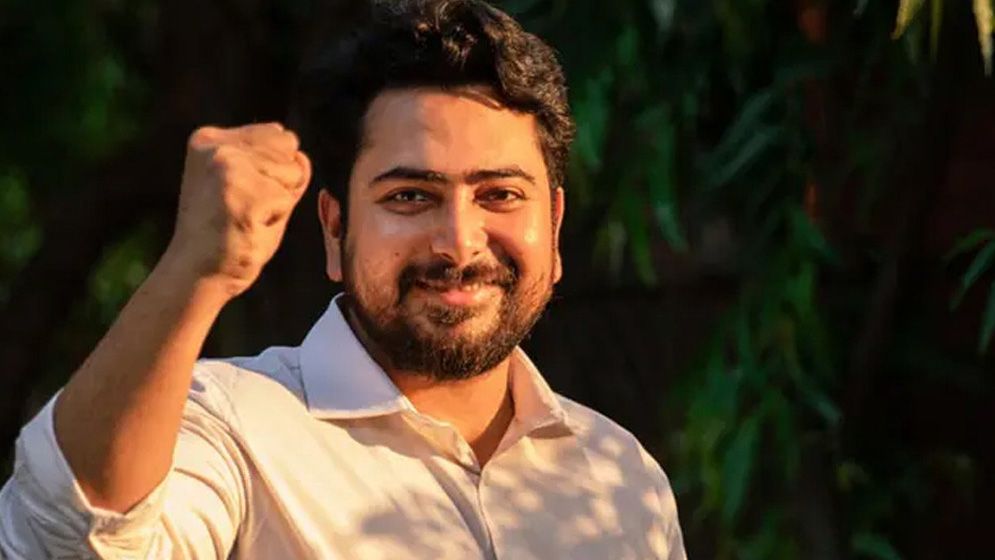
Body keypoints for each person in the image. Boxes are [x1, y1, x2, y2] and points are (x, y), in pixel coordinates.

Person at [0, 0, 686, 558]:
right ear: (335, 229)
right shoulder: (228, 424)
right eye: (410, 196)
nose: (458, 242)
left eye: (500, 195)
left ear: (554, 226)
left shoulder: (622, 477)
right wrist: (192, 270)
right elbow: (76, 539)